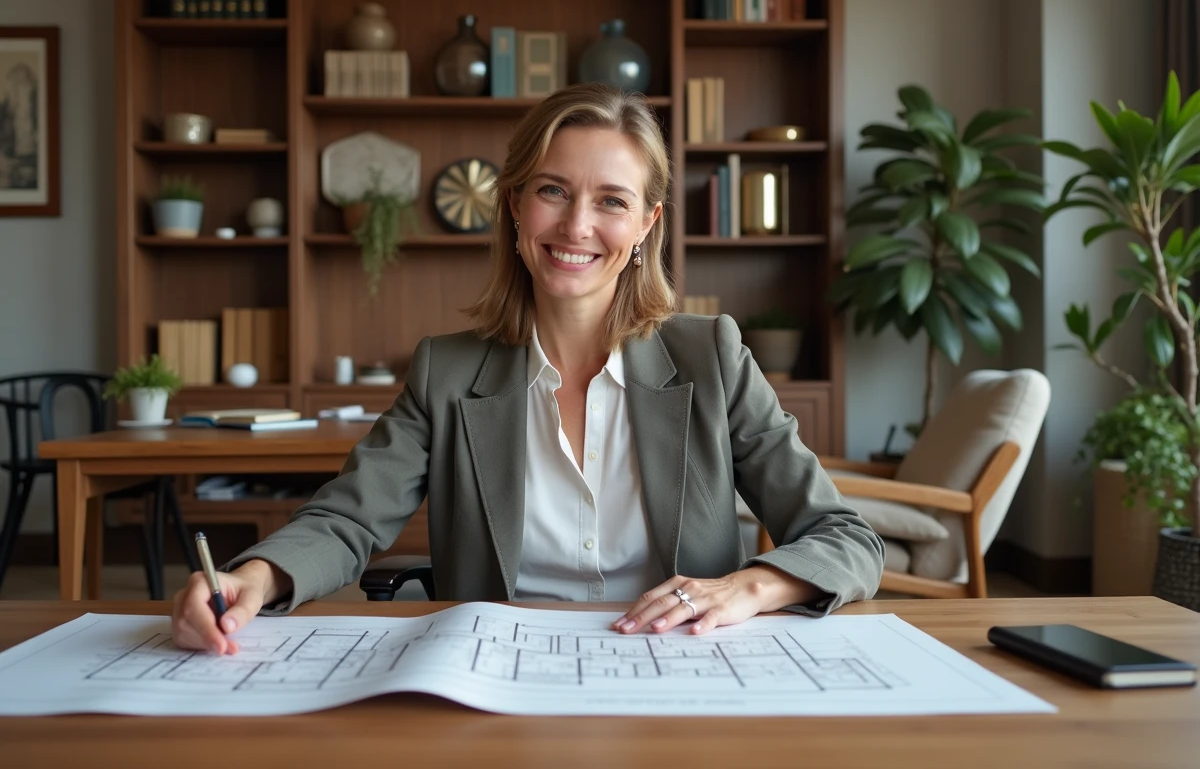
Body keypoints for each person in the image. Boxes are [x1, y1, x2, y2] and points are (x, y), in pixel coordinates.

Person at [172, 83, 884, 655]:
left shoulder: (714, 358)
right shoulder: (446, 371)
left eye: (611, 200)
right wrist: (255, 577)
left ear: (646, 226)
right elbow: (348, 517)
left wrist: (749, 588)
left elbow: (845, 538)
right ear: (514, 208)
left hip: (679, 664)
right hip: (497, 670)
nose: (577, 225)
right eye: (552, 191)